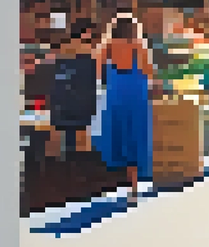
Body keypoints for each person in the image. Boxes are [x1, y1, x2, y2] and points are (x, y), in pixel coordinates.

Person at [98, 15, 155, 204]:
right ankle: (134, 187)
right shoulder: (138, 45)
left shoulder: (107, 46)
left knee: (119, 133)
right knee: (136, 135)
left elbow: (98, 70)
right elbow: (148, 70)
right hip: (135, 93)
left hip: (116, 93)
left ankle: (121, 180)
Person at [46, 19, 100, 161]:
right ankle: (77, 167)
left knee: (66, 135)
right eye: (91, 33)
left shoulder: (60, 49)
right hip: (82, 99)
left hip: (62, 100)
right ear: (86, 32)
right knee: (81, 140)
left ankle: (65, 166)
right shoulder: (91, 52)